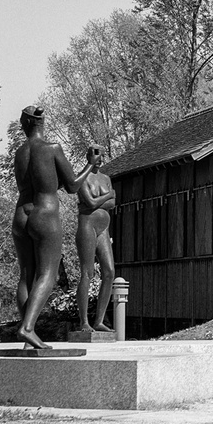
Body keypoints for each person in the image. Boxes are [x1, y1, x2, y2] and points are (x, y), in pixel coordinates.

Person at [11, 106, 90, 350]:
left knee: (26, 274)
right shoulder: (52, 148)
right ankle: (27, 328)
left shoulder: (19, 153)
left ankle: (27, 336)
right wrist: (90, 164)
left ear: (25, 123)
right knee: (48, 274)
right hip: (45, 215)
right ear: (42, 122)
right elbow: (73, 186)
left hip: (21, 214)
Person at [75, 143, 117, 334]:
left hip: (103, 228)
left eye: (102, 154)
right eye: (95, 154)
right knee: (88, 273)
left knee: (109, 271)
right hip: (87, 226)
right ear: (88, 156)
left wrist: (103, 200)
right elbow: (91, 202)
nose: (99, 158)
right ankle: (84, 321)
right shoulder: (82, 178)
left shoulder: (106, 178)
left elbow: (112, 204)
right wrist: (107, 195)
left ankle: (99, 320)